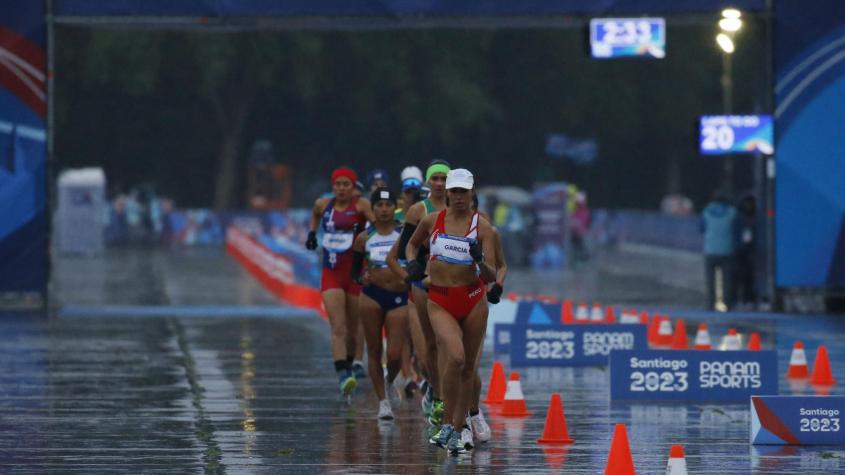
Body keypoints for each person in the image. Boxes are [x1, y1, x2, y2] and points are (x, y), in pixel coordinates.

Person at [406, 168, 497, 455]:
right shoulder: (432, 220)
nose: (458, 197)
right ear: (447, 193)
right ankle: (445, 418)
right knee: (454, 357)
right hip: (441, 300)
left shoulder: (483, 228)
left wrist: (480, 260)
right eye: (454, 191)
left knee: (468, 366)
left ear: (472, 193)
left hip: (472, 300)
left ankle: (458, 430)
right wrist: (413, 265)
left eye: (463, 191)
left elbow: (491, 274)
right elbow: (410, 245)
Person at [387, 160, 450, 429]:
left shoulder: (460, 208)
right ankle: (435, 391)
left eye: (443, 179)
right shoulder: (416, 211)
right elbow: (402, 253)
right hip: (422, 286)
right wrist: (413, 274)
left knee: (450, 345)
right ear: (428, 182)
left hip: (452, 284)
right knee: (428, 349)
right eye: (434, 179)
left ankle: (448, 398)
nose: (438, 183)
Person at [306, 167, 375, 397]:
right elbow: (315, 215)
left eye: (346, 184)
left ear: (353, 187)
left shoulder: (361, 205)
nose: (342, 189)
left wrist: (370, 244)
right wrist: (312, 234)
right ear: (333, 186)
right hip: (332, 273)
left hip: (355, 274)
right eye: (338, 184)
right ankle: (343, 373)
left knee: (354, 330)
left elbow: (378, 226)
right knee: (338, 327)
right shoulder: (323, 204)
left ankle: (351, 361)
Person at [350, 187, 408, 420]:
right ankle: (383, 403)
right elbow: (354, 272)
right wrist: (359, 277)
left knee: (394, 354)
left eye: (388, 205)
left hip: (398, 297)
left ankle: (390, 380)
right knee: (374, 350)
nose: (384, 210)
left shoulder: (404, 234)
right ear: (372, 208)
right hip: (372, 296)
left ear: (395, 207)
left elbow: (416, 258)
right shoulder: (364, 237)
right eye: (379, 206)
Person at [701, 191, 738, 312]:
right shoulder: (732, 212)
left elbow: (701, 228)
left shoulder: (706, 212)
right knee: (727, 280)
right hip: (727, 250)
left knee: (710, 280)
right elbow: (737, 229)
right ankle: (727, 304)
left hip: (710, 250)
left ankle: (710, 304)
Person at [734, 193, 757, 308]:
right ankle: (741, 299)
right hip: (742, 251)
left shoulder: (751, 218)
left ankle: (746, 299)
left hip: (746, 251)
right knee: (740, 275)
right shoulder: (740, 217)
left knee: (747, 276)